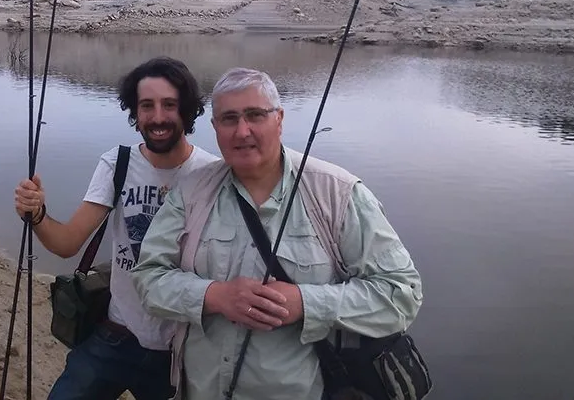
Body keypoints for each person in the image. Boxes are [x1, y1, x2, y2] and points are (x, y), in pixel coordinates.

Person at [130, 67, 424, 400]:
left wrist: (307, 303)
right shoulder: (190, 192)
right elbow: (148, 278)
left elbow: (402, 293)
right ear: (214, 128)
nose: (242, 131)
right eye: (229, 119)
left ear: (279, 119)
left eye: (255, 115)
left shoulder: (337, 194)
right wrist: (215, 296)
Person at [14, 56, 220, 400]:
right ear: (134, 112)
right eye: (146, 106)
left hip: (180, 351)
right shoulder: (117, 164)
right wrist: (37, 215)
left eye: (169, 105)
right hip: (114, 335)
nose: (157, 117)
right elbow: (67, 244)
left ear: (187, 109)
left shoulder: (213, 174)